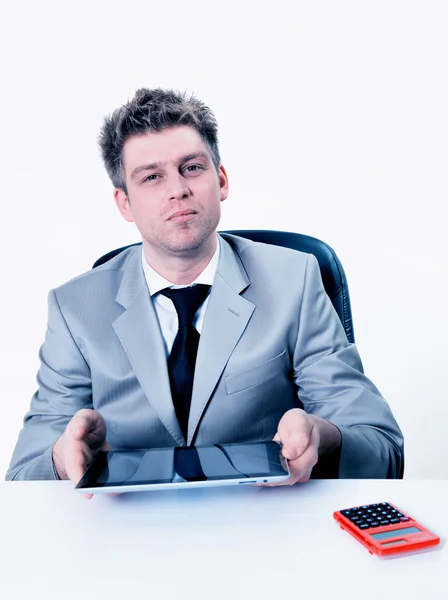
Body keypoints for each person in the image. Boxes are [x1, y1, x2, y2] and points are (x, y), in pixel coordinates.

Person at [5, 88, 404, 490]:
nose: (177, 189)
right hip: (127, 537)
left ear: (222, 179)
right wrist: (60, 458)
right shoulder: (74, 308)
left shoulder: (294, 280)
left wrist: (322, 434)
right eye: (152, 177)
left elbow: (384, 450)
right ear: (124, 203)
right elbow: (22, 479)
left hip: (267, 527)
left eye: (192, 168)